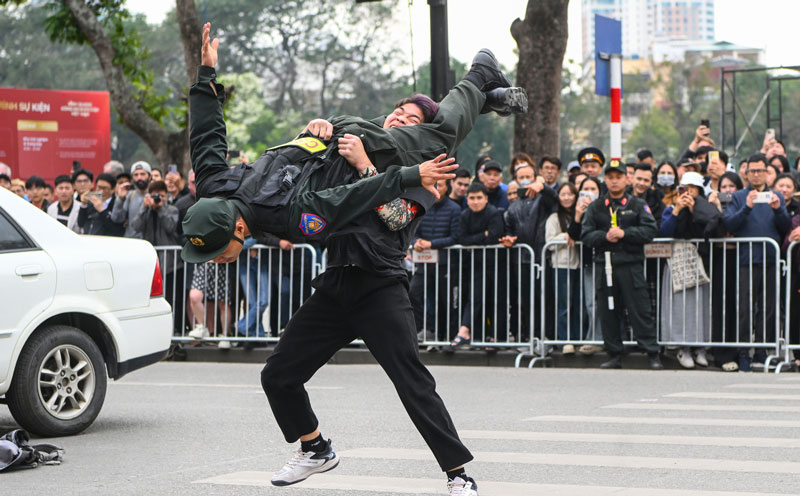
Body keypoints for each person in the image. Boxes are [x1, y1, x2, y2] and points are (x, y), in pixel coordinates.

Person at [182, 23, 526, 269]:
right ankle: (484, 99)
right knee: (421, 128)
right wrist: (206, 76)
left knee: (439, 136)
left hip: (352, 147)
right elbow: (205, 137)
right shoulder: (211, 189)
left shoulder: (293, 218)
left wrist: (410, 174)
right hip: (336, 138)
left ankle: (480, 73)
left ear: (238, 229)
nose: (214, 260)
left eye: (217, 252)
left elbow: (354, 198)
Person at [261, 140, 483, 494]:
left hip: (381, 286)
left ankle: (459, 475)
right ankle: (315, 448)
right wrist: (318, 133)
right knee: (277, 375)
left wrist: (364, 162)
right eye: (394, 114)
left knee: (413, 382)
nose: (397, 120)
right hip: (335, 283)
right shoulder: (344, 163)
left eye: (408, 116)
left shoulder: (424, 178)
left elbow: (394, 217)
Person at [580, 159, 662, 370]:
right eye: (610, 177)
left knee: (640, 310)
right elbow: (586, 235)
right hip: (605, 265)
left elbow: (650, 230)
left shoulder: (636, 204)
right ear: (604, 180)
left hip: (631, 265)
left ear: (627, 179)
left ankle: (652, 353)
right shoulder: (596, 206)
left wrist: (625, 233)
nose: (614, 181)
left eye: (619, 177)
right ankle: (614, 353)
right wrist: (604, 236)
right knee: (609, 312)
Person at [723, 153, 791, 371]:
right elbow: (730, 223)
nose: (756, 174)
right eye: (752, 171)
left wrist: (778, 208)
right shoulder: (739, 196)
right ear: (746, 173)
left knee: (769, 308)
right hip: (746, 260)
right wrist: (748, 206)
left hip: (771, 259)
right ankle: (744, 351)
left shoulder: (776, 195)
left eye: (760, 170)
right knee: (745, 308)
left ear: (767, 172)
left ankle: (762, 351)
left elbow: (785, 227)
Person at [659, 172, 723, 368]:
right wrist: (678, 209)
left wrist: (697, 209)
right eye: (684, 189)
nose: (688, 193)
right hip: (677, 263)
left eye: (693, 189)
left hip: (699, 264)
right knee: (678, 306)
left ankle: (700, 346)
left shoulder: (706, 210)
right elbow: (664, 231)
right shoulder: (671, 208)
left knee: (700, 305)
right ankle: (682, 347)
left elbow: (715, 229)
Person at [501, 163, 558, 344]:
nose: (525, 180)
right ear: (516, 181)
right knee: (524, 300)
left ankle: (545, 335)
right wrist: (509, 238)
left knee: (545, 299)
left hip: (541, 258)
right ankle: (526, 335)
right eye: (521, 177)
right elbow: (509, 228)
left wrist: (542, 186)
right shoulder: (513, 206)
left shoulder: (543, 199)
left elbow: (556, 201)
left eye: (528, 177)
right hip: (521, 260)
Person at [446, 181, 504, 353]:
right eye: (472, 198)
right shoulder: (465, 215)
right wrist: (483, 235)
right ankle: (465, 331)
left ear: (486, 198)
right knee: (475, 298)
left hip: (496, 264)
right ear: (467, 199)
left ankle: (495, 336)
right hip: (476, 265)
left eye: (479, 197)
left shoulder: (494, 213)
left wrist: (477, 238)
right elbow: (462, 238)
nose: (475, 201)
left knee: (496, 299)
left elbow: (495, 235)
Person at [410, 179, 461, 344]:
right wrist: (416, 242)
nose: (435, 189)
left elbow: (455, 237)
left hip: (445, 264)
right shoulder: (423, 206)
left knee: (444, 300)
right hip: (423, 263)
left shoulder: (454, 209)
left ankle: (446, 334)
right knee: (414, 293)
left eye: (440, 185)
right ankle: (424, 329)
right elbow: (413, 230)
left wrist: (431, 244)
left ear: (448, 187)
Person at [131, 180, 183, 333]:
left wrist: (160, 209)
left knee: (171, 299)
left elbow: (170, 227)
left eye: (160, 195)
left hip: (170, 263)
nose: (157, 198)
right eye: (154, 195)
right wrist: (144, 207)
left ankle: (174, 331)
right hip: (151, 263)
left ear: (166, 196)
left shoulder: (172, 210)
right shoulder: (145, 210)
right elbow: (136, 226)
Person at [546, 183, 582, 352]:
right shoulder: (554, 218)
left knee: (577, 304)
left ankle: (577, 338)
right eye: (563, 194)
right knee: (563, 305)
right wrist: (565, 236)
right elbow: (549, 243)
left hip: (579, 264)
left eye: (570, 194)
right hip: (561, 265)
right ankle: (564, 338)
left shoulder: (580, 215)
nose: (567, 197)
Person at [572, 177, 604, 354]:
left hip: (604, 260)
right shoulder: (576, 208)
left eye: (593, 188)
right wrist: (577, 215)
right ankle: (592, 337)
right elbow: (573, 234)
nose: (589, 192)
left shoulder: (604, 208)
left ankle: (599, 338)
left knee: (603, 302)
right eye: (586, 189)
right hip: (587, 262)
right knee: (590, 303)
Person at [111, 161, 151, 238]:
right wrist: (120, 199)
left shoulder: (155, 194)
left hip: (149, 243)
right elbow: (117, 218)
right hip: (132, 241)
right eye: (136, 175)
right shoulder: (129, 195)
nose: (139, 178)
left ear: (149, 176)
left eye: (142, 174)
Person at [630, 163, 665, 228]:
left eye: (646, 180)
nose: (642, 183)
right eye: (639, 179)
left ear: (651, 182)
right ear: (632, 178)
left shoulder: (657, 202)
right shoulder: (622, 196)